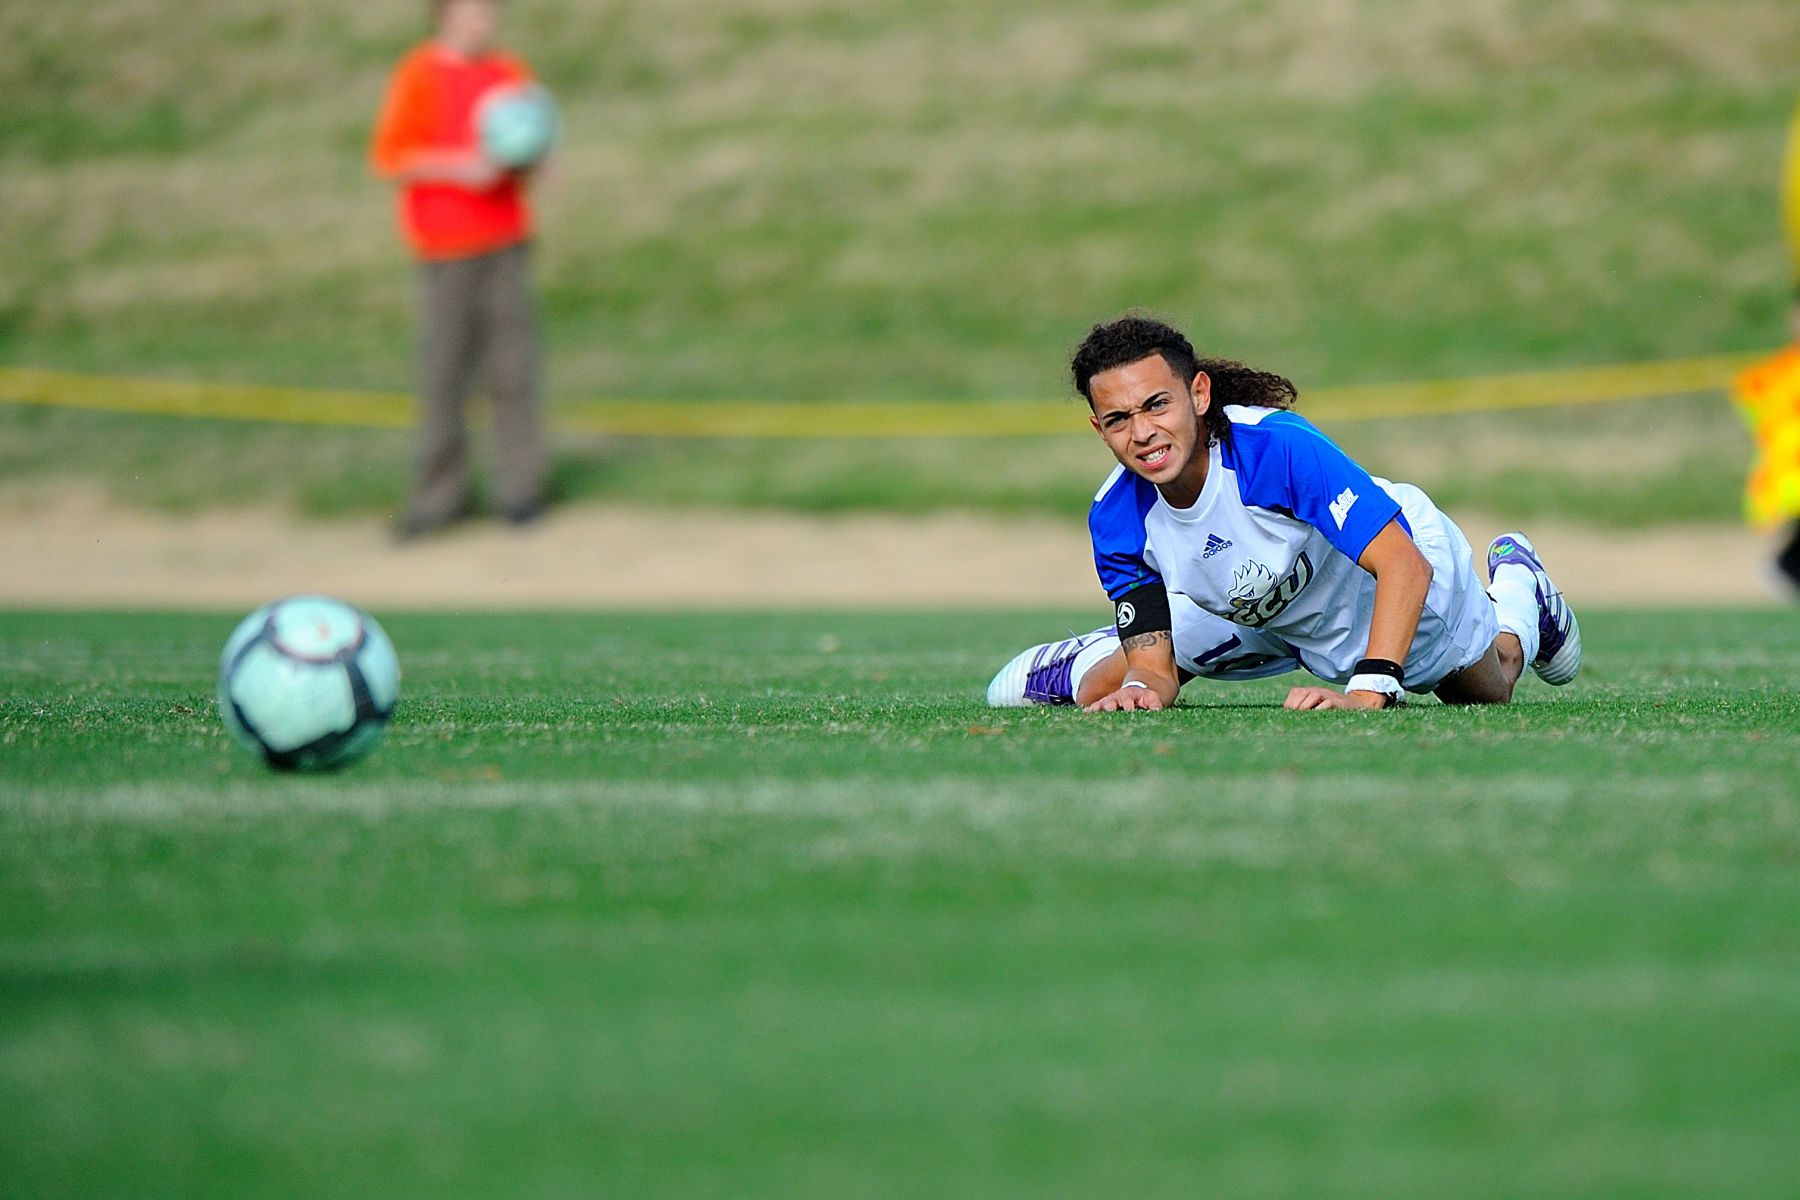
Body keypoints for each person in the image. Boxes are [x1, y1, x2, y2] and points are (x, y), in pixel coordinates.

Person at [989, 314, 1579, 712]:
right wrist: (1140, 686)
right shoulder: (1115, 516)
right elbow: (1155, 669)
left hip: (1389, 578)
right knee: (1110, 683)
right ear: (1099, 428)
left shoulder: (1273, 450)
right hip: (1263, 611)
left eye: (1157, 404)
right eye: (1118, 419)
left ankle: (1521, 587)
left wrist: (1368, 691)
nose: (1142, 433)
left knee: (1486, 688)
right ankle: (1078, 663)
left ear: (1198, 395)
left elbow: (1404, 565)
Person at [370, 0, 547, 540]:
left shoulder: (509, 73)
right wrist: (460, 167)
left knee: (513, 372)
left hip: (506, 240)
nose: (483, 22)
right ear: (444, 15)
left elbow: (534, 134)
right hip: (445, 246)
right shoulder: (419, 73)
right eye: (472, 12)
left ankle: (520, 494)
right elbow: (391, 155)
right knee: (444, 374)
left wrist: (537, 160)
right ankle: (438, 499)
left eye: (489, 12)